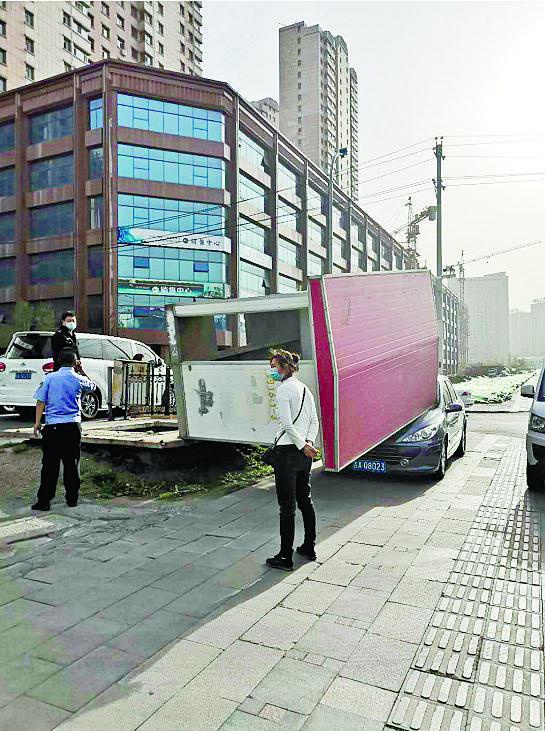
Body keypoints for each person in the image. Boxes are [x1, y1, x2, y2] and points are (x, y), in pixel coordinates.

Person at [266, 349, 319, 571]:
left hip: (287, 453)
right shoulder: (306, 389)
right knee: (305, 500)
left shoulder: (284, 390)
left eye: (274, 368)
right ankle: (309, 546)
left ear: (286, 367)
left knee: (286, 506)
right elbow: (314, 421)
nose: (272, 372)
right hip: (303, 455)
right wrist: (308, 443)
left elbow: (287, 424)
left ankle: (285, 556)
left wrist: (302, 444)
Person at [31, 348, 97, 511]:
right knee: (71, 464)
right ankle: (72, 498)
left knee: (49, 466)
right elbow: (93, 388)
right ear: (75, 363)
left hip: (52, 427)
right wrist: (81, 371)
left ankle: (44, 501)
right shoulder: (78, 378)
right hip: (72, 427)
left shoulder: (49, 378)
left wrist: (37, 423)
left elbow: (40, 402)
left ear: (58, 362)